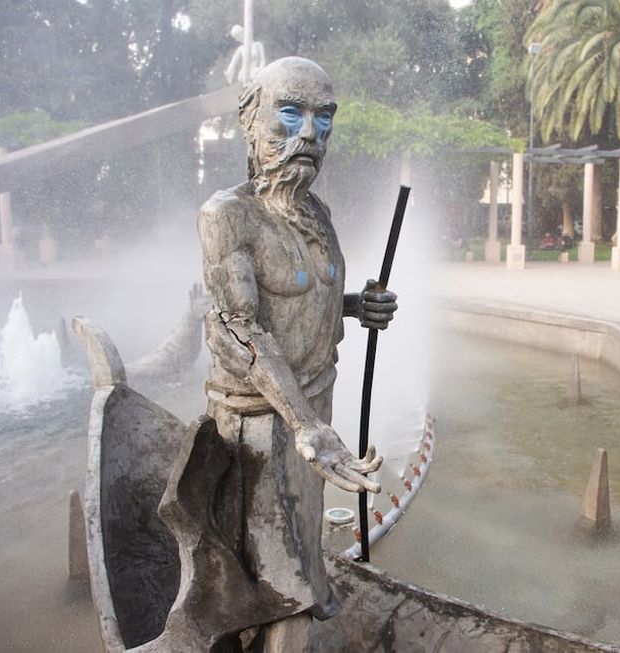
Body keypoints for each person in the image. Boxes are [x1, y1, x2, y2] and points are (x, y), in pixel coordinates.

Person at [197, 57, 398, 650]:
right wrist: (305, 425)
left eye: (324, 118)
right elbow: (240, 331)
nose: (309, 134)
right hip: (257, 430)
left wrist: (360, 305)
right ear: (251, 121)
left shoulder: (317, 214)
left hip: (313, 413)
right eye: (290, 114)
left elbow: (305, 305)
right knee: (277, 583)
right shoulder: (228, 216)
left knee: (302, 557)